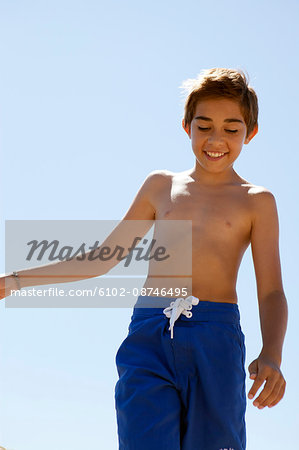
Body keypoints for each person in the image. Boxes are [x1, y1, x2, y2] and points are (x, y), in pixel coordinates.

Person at [0, 68, 288, 450]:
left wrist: (272, 353)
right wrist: (14, 280)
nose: (216, 139)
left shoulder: (257, 201)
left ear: (250, 133)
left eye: (231, 129)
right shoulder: (161, 186)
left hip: (216, 338)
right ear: (186, 126)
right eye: (204, 127)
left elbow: (271, 292)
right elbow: (103, 257)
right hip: (151, 333)